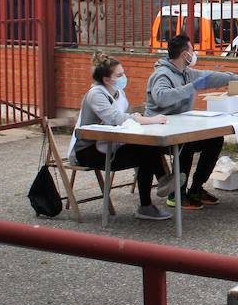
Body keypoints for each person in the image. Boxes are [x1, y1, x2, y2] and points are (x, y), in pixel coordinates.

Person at [70, 52, 172, 221]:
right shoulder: (96, 94)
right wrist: (147, 119)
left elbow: (126, 120)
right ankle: (158, 188)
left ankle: (161, 184)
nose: (124, 77)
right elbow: (115, 118)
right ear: (106, 79)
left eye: (123, 73)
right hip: (90, 152)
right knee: (146, 153)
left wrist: (141, 120)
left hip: (112, 145)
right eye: (119, 75)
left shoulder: (119, 93)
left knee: (149, 147)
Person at [144, 33, 238, 211]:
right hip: (159, 132)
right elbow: (162, 98)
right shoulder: (161, 75)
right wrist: (192, 87)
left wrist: (236, 78)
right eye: (192, 50)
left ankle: (196, 188)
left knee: (214, 139)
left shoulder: (186, 73)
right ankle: (177, 194)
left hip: (181, 128)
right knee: (186, 143)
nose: (194, 54)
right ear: (184, 54)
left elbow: (208, 77)